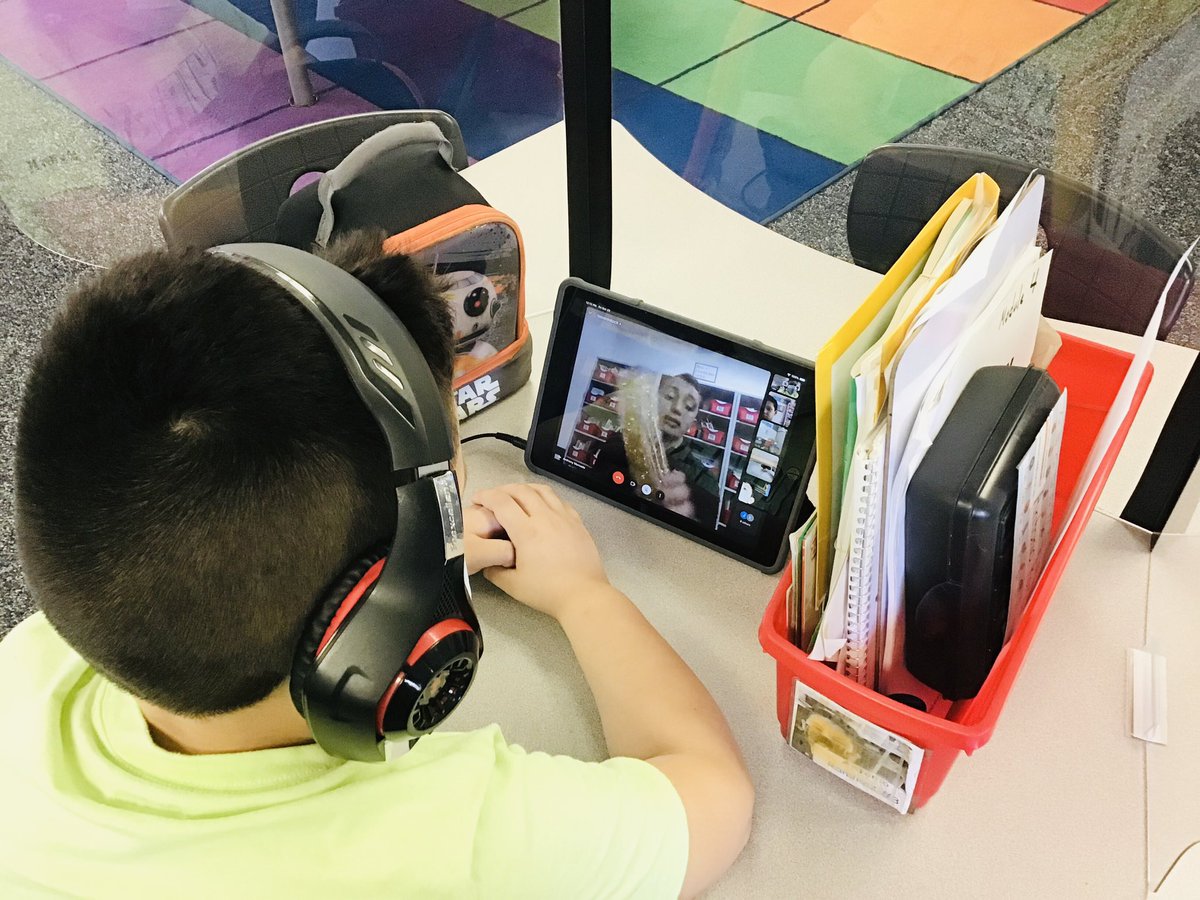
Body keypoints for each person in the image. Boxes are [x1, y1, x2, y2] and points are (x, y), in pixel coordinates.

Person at [0, 232, 753, 897]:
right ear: (380, 600)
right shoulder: (459, 848)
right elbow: (714, 795)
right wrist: (587, 595)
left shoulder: (24, 668)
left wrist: (419, 551)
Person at [597, 373, 721, 523]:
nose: (677, 409)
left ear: (693, 420)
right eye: (669, 396)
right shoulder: (620, 443)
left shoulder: (705, 482)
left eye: (688, 406)